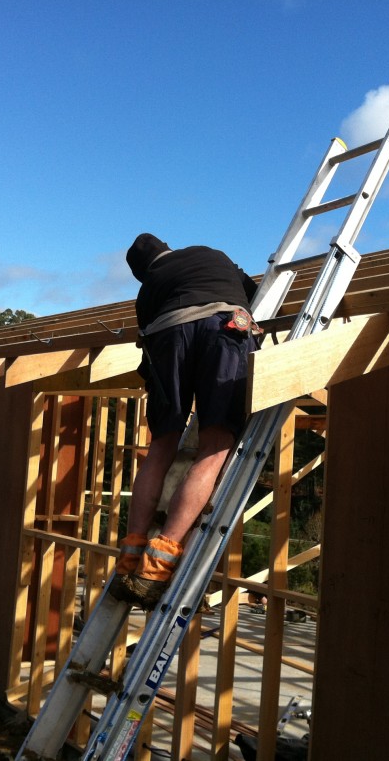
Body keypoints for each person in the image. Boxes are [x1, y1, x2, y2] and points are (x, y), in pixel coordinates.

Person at [108, 233, 259, 609]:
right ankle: (160, 563)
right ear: (168, 249)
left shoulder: (147, 293)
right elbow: (255, 292)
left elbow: (147, 344)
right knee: (214, 444)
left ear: (144, 272)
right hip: (224, 329)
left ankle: (132, 555)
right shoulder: (211, 252)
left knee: (161, 445)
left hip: (166, 335)